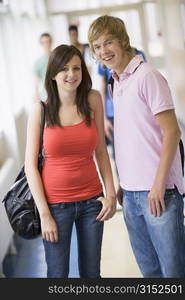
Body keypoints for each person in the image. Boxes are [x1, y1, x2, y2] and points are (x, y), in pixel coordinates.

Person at [88, 15, 185, 278]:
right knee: (150, 271)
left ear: (123, 40)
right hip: (130, 194)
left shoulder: (147, 76)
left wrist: (157, 185)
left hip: (159, 193)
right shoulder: (116, 81)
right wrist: (124, 182)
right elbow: (134, 137)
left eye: (108, 42)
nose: (103, 51)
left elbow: (172, 132)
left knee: (173, 272)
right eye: (97, 46)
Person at [25, 44, 116, 278]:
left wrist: (111, 194)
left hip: (92, 202)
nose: (71, 74)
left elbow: (101, 152)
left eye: (76, 68)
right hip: (55, 206)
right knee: (57, 275)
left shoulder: (92, 100)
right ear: (53, 73)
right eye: (64, 68)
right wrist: (44, 214)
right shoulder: (41, 110)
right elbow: (30, 167)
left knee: (91, 274)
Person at [98, 48, 146, 158]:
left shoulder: (139, 54)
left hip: (135, 111)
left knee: (138, 150)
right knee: (119, 153)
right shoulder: (104, 58)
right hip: (113, 113)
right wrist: (104, 119)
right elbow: (103, 88)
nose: (104, 49)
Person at [33, 33, 52, 102]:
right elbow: (36, 81)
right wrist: (36, 94)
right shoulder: (38, 63)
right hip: (47, 95)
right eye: (44, 42)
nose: (47, 44)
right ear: (41, 44)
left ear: (51, 42)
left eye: (48, 41)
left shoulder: (57, 57)